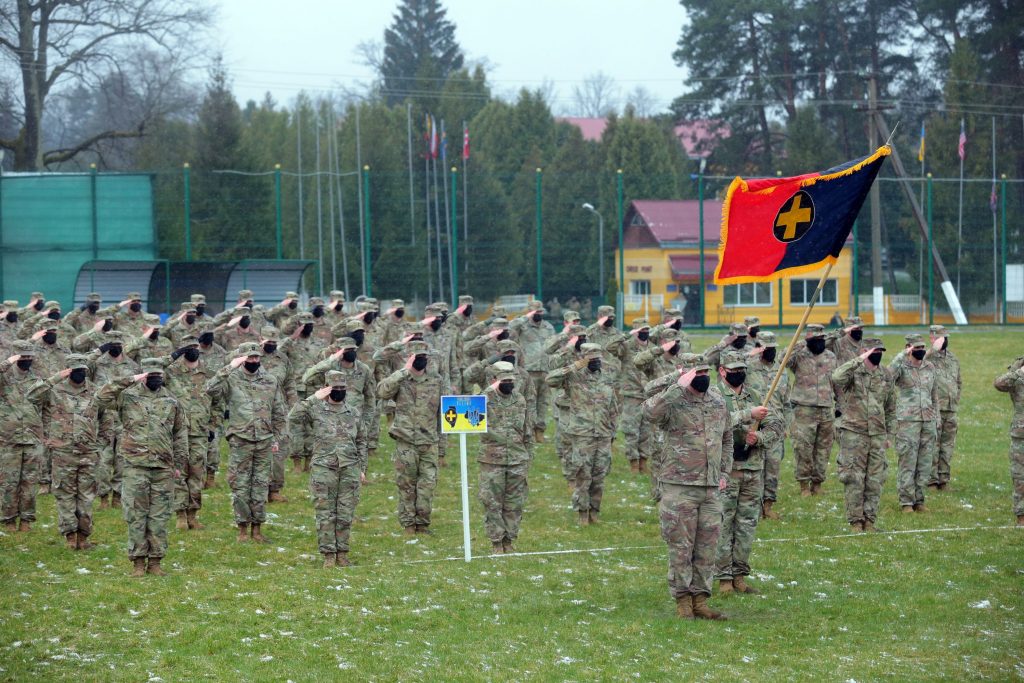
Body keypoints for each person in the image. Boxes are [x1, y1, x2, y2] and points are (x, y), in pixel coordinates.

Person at [643, 357, 731, 620]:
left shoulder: (716, 399)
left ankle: (701, 599)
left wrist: (724, 471)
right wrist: (676, 386)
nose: (703, 376)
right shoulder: (672, 400)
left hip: (710, 487)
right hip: (679, 486)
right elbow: (649, 413)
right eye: (697, 373)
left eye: (706, 371)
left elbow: (726, 437)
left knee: (707, 548)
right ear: (685, 374)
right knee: (681, 547)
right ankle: (682, 600)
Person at [96, 357, 188, 577]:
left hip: (163, 467)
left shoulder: (171, 400)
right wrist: (129, 380)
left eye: (159, 375)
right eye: (151, 375)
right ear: (143, 376)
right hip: (135, 465)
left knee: (159, 515)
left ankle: (155, 560)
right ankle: (138, 561)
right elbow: (100, 397)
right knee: (136, 514)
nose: (156, 379)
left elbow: (180, 433)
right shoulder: (127, 397)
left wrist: (179, 463)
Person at [205, 341, 287, 543]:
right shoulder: (231, 379)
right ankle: (242, 529)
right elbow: (209, 388)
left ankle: (257, 529)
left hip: (264, 440)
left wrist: (277, 437)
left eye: (256, 357)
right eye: (249, 358)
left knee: (260, 485)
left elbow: (278, 411)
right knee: (240, 486)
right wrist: (230, 367)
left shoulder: (270, 380)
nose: (254, 361)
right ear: (241, 359)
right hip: (241, 439)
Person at [713, 351, 778, 596]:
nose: (739, 373)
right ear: (722, 370)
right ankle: (723, 578)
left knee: (747, 524)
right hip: (726, 470)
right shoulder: (713, 396)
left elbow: (775, 426)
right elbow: (713, 423)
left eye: (742, 368)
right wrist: (747, 415)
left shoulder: (755, 396)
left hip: (752, 469)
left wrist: (759, 436)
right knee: (723, 524)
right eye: (733, 369)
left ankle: (740, 574)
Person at [289, 371, 365, 568]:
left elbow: (361, 441)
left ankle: (343, 554)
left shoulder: (353, 412)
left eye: (342, 388)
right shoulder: (315, 409)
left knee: (345, 513)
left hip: (349, 468)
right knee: (325, 512)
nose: (339, 391)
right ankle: (328, 555)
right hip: (323, 468)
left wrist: (362, 468)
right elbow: (293, 416)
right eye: (335, 388)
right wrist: (314, 397)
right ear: (327, 388)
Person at [27, 354, 102, 549]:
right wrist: (55, 378)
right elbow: (31, 396)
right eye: (75, 371)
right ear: (67, 371)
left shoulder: (94, 391)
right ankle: (70, 536)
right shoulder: (54, 390)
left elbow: (106, 417)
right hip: (63, 452)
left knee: (86, 496)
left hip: (88, 452)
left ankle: (84, 536)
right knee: (65, 494)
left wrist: (101, 441)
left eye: (82, 371)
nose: (80, 374)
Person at [546, 343, 618, 526]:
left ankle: (594, 511)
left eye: (597, 358)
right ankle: (582, 512)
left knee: (599, 475)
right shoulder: (573, 377)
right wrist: (574, 366)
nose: (595, 362)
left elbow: (613, 407)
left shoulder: (606, 378)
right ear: (583, 359)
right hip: (582, 433)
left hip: (603, 433)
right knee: (583, 474)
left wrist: (612, 433)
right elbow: (550, 380)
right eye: (591, 359)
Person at [376, 340, 443, 534]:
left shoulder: (436, 380)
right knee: (406, 484)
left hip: (429, 441)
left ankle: (422, 523)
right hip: (406, 440)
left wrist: (442, 444)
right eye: (417, 357)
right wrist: (404, 370)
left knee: (427, 485)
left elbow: (444, 413)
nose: (421, 361)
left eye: (424, 357)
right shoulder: (401, 379)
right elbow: (381, 391)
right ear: (410, 358)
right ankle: (408, 524)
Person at [831, 339, 896, 532]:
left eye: (881, 351)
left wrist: (889, 435)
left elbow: (891, 407)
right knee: (853, 478)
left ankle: (870, 521)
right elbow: (836, 377)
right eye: (875, 351)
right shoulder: (853, 372)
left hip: (877, 434)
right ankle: (855, 521)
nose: (878, 354)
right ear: (864, 351)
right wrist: (857, 360)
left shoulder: (885, 375)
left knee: (875, 479)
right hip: (854, 433)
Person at [164, 335, 221, 531]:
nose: (193, 349)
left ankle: (193, 514)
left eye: (195, 346)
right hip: (176, 432)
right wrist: (173, 356)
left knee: (197, 473)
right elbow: (148, 372)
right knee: (179, 472)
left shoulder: (209, 374)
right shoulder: (170, 373)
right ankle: (180, 514)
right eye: (188, 347)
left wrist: (213, 426)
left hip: (200, 432)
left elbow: (218, 403)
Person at [477, 361, 532, 553]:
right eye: (504, 380)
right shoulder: (484, 398)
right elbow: (469, 411)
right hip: (492, 459)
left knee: (514, 503)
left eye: (511, 380)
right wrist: (488, 390)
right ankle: (496, 541)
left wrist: (528, 456)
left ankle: (509, 540)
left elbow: (526, 430)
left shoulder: (519, 399)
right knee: (492, 502)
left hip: (518, 458)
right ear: (494, 380)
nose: (509, 384)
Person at [890, 334, 939, 514]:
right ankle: (906, 502)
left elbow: (934, 395)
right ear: (909, 347)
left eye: (922, 347)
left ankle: (919, 500)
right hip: (907, 421)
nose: (920, 350)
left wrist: (936, 418)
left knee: (925, 463)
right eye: (916, 348)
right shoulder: (901, 367)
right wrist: (902, 355)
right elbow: (887, 376)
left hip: (928, 420)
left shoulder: (929, 367)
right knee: (908, 461)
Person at [744, 331, 791, 520]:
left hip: (775, 428)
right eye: (766, 348)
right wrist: (751, 354)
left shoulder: (782, 371)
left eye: (773, 348)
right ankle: (753, 506)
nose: (770, 351)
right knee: (755, 468)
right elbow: (725, 365)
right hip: (755, 425)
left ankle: (768, 506)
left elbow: (787, 402)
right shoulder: (747, 368)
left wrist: (787, 425)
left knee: (773, 468)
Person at [786, 323, 837, 496]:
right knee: (803, 448)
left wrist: (840, 405)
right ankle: (803, 485)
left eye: (822, 338)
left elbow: (836, 382)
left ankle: (817, 483)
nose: (819, 342)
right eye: (815, 339)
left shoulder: (830, 356)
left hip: (826, 408)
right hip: (804, 409)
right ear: (808, 339)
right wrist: (799, 343)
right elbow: (782, 360)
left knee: (824, 449)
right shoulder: (799, 355)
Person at [0, 341, 45, 532]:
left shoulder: (37, 379)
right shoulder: (5, 378)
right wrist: (8, 361)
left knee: (29, 481)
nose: (27, 360)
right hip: (8, 438)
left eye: (29, 357)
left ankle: (26, 520)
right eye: (23, 357)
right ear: (15, 357)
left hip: (33, 438)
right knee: (9, 481)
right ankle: (8, 520)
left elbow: (47, 408)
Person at [509, 300, 554, 443]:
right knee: (529, 402)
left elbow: (554, 344)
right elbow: (510, 327)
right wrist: (526, 317)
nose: (539, 314)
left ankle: (539, 432)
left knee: (543, 402)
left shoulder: (548, 327)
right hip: (529, 370)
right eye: (536, 311)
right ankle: (527, 431)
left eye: (541, 311)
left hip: (545, 370)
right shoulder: (522, 326)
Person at [926, 325, 961, 491]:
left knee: (947, 446)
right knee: (934, 444)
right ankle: (931, 481)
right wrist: (932, 349)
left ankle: (944, 479)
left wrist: (955, 399)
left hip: (950, 408)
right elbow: (918, 364)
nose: (944, 341)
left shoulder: (953, 359)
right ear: (932, 339)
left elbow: (958, 382)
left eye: (946, 337)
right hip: (935, 409)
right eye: (940, 337)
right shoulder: (927, 358)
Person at [994, 355, 1024, 526]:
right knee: (1020, 476)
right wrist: (1019, 372)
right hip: (1021, 434)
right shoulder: (1017, 376)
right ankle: (1021, 515)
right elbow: (999, 384)